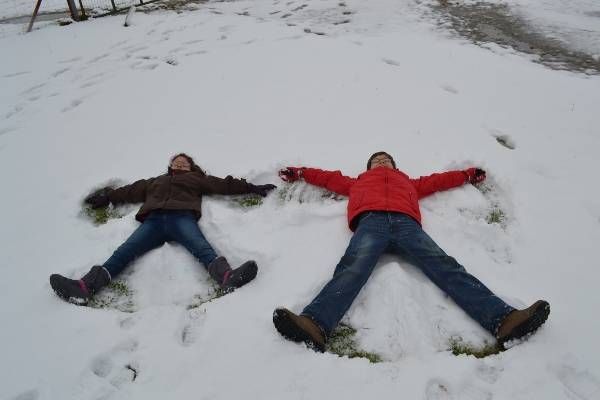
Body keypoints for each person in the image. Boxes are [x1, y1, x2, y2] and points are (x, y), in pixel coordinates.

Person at [273, 151, 550, 351]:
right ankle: (315, 324)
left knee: (445, 266)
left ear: (395, 165)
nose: (381, 162)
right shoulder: (357, 182)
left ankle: (504, 320)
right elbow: (328, 178)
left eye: (386, 160)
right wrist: (300, 173)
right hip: (371, 223)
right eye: (376, 160)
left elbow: (438, 181)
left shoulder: (409, 183)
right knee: (353, 267)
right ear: (369, 167)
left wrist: (465, 175)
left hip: (407, 226)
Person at [50, 153, 276, 305]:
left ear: (190, 166)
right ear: (170, 166)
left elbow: (223, 185)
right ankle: (84, 287)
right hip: (154, 221)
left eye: (183, 162)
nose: (179, 164)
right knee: (124, 252)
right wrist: (107, 197)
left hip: (182, 218)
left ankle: (227, 277)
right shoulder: (155, 181)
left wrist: (252, 188)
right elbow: (130, 191)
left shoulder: (196, 179)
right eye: (175, 161)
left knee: (202, 248)